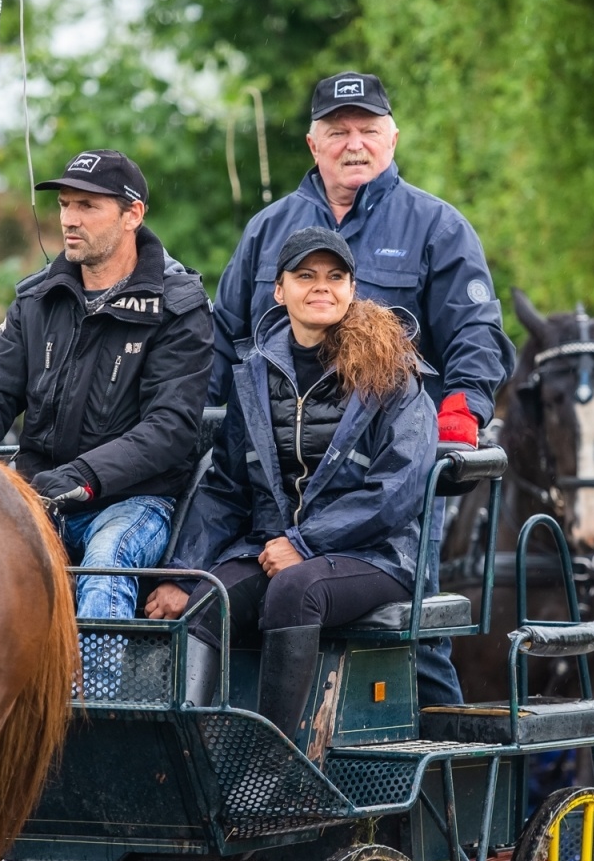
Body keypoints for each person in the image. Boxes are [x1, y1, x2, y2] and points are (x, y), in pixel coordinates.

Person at [208, 70, 516, 707]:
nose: (355, 143)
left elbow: (477, 334)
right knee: (245, 608)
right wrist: (198, 420)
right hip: (281, 479)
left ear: (393, 139)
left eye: (368, 130)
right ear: (312, 144)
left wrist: (462, 410)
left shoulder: (437, 227)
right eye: (338, 131)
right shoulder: (268, 230)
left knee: (413, 639)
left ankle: (435, 785)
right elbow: (224, 339)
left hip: (386, 475)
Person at [147, 227, 436, 739]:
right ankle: (185, 758)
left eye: (335, 276)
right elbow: (225, 489)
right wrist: (184, 575)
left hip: (377, 555)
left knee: (294, 591)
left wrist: (304, 543)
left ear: (352, 288)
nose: (321, 287)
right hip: (275, 548)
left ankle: (271, 764)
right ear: (280, 290)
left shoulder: (392, 372)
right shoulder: (254, 376)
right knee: (211, 599)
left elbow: (396, 491)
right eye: (306, 276)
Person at [0, 150, 213, 691]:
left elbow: (170, 429)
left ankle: (99, 722)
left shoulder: (179, 305)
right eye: (65, 205)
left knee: (107, 558)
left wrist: (80, 478)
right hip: (39, 493)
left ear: (132, 214)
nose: (69, 218)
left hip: (135, 501)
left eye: (87, 206)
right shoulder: (35, 298)